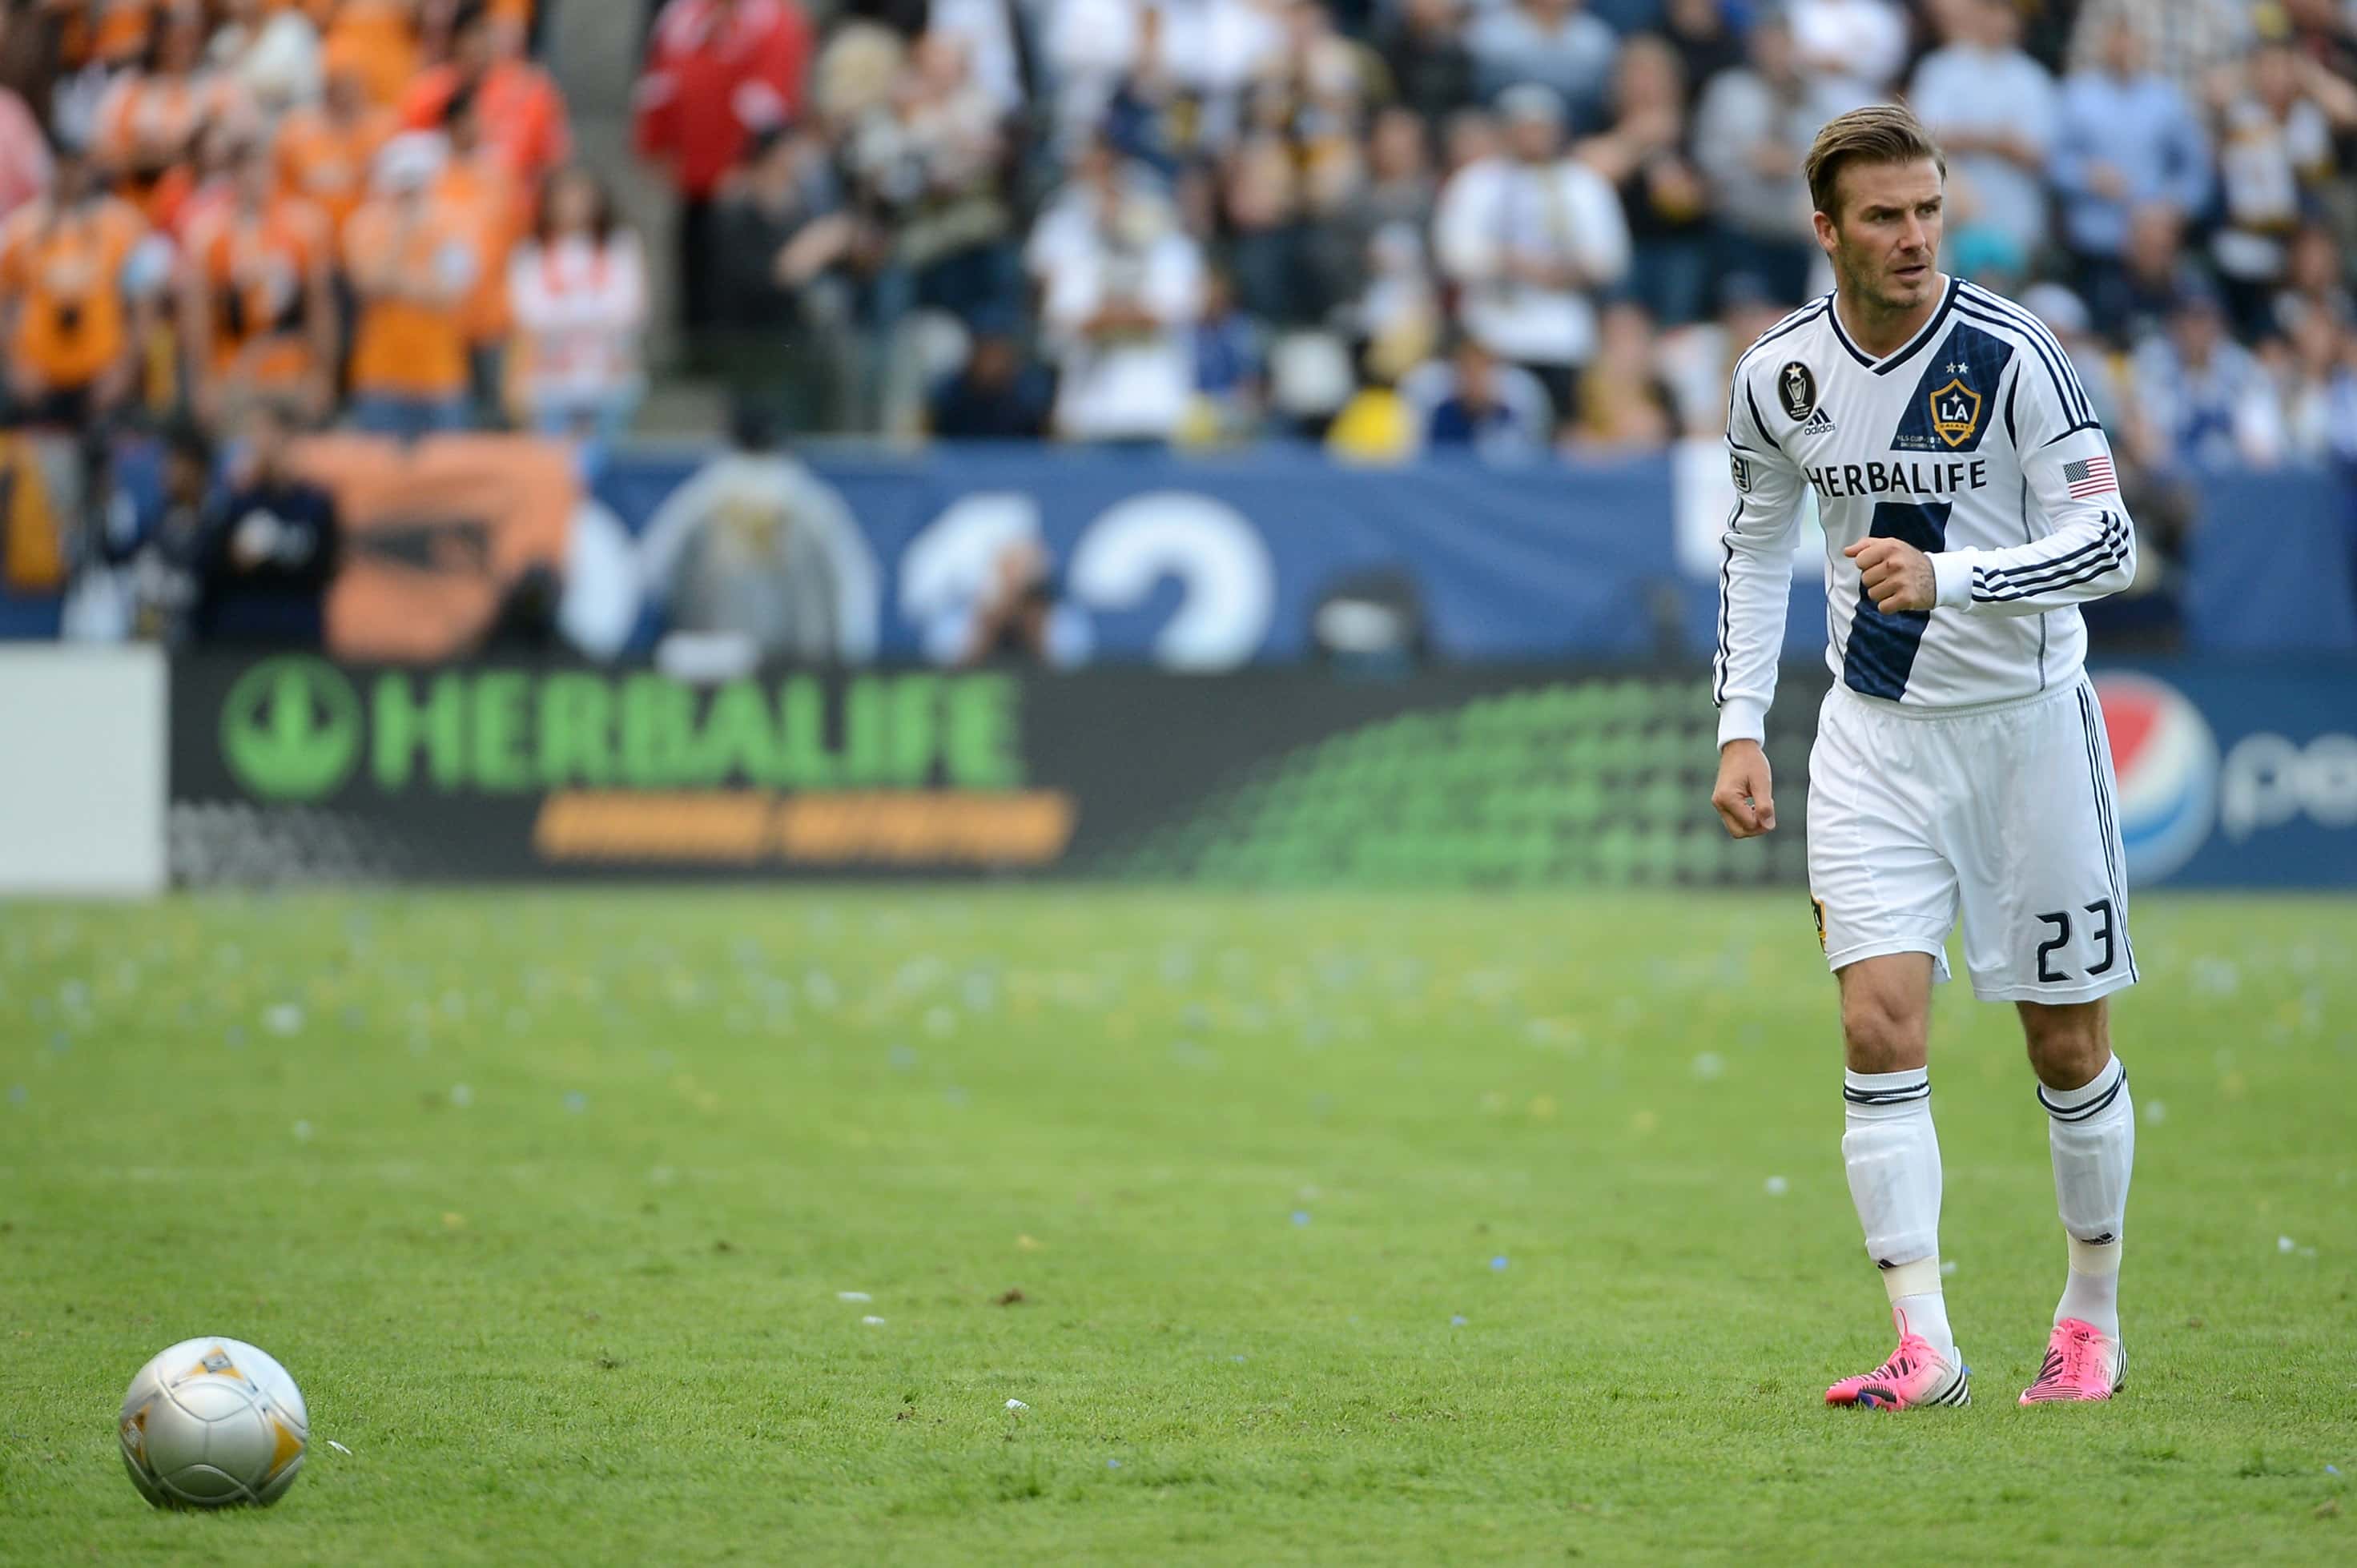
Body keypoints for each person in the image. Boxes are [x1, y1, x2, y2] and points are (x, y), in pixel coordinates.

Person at [1711, 107, 2144, 1411]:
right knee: (1873, 1019)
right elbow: (1749, 544)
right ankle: (1924, 1342)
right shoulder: (1776, 374)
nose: (1911, 239)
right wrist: (1738, 722)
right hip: (1870, 739)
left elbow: (2109, 546)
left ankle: (2087, 1315)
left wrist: (1947, 577)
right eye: (1884, 216)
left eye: (1927, 212)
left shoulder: (2011, 353)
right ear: (1826, 229)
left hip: (2026, 733)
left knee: (2063, 1045)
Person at [177, 136, 338, 425]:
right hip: (236, 371)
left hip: (290, 368)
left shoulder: (303, 226)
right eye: (245, 169)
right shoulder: (209, 233)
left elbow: (319, 308)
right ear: (233, 176)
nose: (254, 179)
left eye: (261, 168)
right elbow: (199, 314)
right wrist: (204, 381)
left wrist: (322, 374)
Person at [507, 167, 647, 478]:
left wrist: (566, 311)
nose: (574, 205)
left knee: (605, 470)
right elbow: (530, 314)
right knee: (552, 471)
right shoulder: (531, 253)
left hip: (606, 380)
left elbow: (629, 310)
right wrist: (592, 310)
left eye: (582, 196)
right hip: (550, 382)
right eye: (565, 196)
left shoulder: (619, 247)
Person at [344, 132, 480, 440]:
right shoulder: (365, 223)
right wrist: (402, 233)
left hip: (441, 373)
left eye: (416, 179)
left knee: (448, 472)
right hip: (380, 373)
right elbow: (369, 287)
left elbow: (451, 295)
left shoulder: (456, 223)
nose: (409, 189)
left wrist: (398, 283)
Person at [198, 399, 340, 646]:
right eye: (254, 434)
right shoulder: (235, 502)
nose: (259, 443)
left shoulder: (316, 505)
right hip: (239, 634)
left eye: (267, 433)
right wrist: (233, 557)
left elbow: (328, 566)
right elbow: (208, 565)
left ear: (290, 439)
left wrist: (275, 557)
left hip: (297, 631)